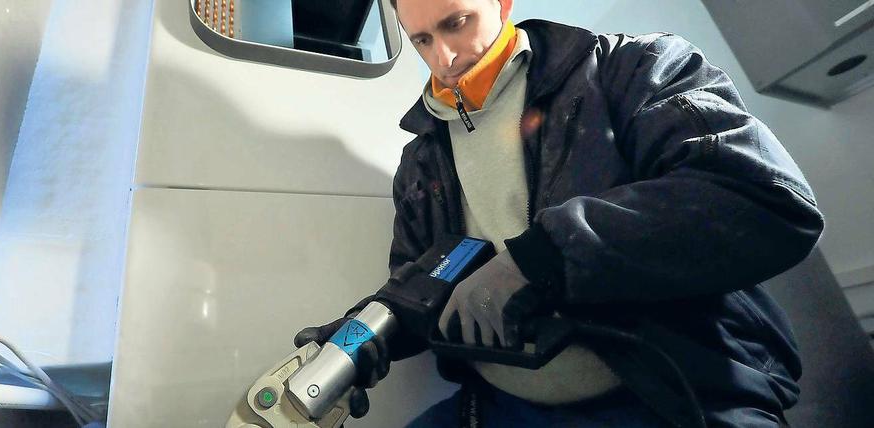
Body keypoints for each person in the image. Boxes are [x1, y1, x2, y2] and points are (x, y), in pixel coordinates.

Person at [293, 0, 824, 426]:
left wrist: (542, 257)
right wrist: (360, 337)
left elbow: (761, 195)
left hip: (667, 392)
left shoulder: (632, 68)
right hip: (500, 405)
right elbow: (421, 285)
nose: (445, 57)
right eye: (422, 40)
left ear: (502, 4)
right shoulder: (421, 156)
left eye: (456, 24)